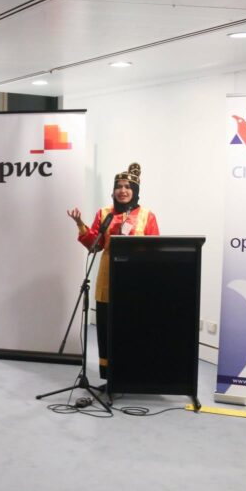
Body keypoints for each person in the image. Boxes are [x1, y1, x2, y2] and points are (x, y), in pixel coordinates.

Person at [67, 162, 159, 386]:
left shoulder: (147, 216)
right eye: (118, 186)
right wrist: (80, 224)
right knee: (107, 328)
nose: (122, 190)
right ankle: (110, 379)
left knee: (133, 327)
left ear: (134, 190)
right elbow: (95, 245)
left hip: (136, 280)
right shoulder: (105, 214)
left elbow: (155, 249)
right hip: (107, 280)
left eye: (127, 186)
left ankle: (133, 376)